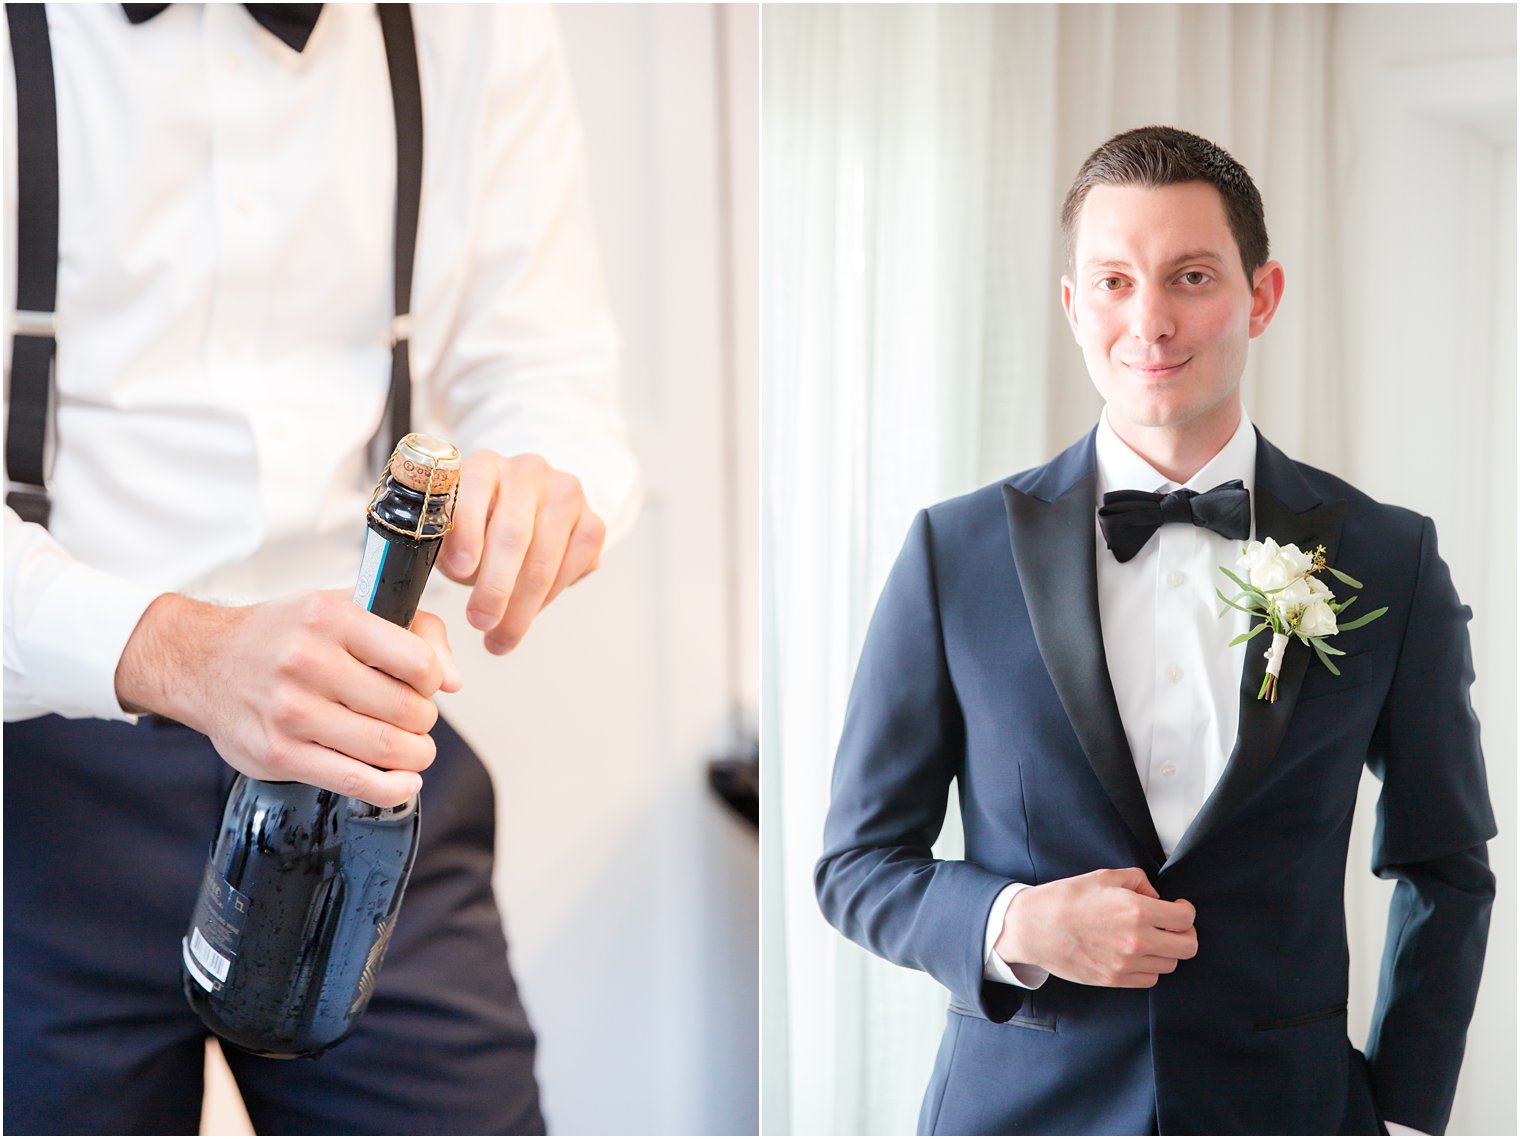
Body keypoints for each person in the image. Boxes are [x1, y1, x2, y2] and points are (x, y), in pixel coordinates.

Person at [4, 5, 638, 1134]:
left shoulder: (477, 25)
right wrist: (177, 651)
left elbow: (548, 371)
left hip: (363, 769)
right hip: (29, 773)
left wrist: (549, 483)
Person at [815, 126, 1494, 1135]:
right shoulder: (949, 553)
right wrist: (1013, 922)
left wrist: (1399, 1110)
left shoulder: (1384, 558)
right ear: (1070, 304)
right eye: (1112, 281)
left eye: (1188, 276)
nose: (1150, 321)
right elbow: (855, 862)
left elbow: (1445, 863)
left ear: (1259, 295)